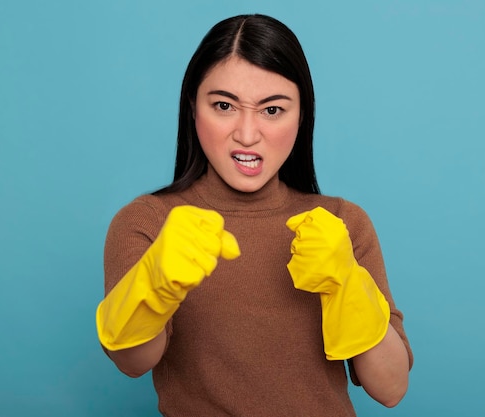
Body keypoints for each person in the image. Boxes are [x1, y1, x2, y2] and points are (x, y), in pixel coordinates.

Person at [96, 14, 413, 416]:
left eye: (272, 110)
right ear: (194, 107)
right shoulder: (148, 222)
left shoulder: (340, 223)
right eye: (224, 105)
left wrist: (347, 284)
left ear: (302, 116)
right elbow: (131, 362)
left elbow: (391, 388)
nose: (247, 134)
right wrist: (155, 282)